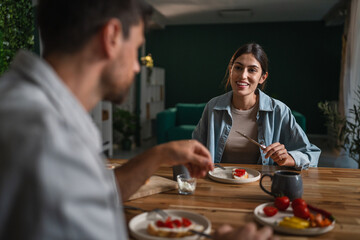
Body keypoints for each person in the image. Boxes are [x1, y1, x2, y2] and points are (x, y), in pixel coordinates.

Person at [0, 1, 276, 239]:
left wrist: (156, 156)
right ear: (111, 37)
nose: (136, 66)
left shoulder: (25, 104)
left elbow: (92, 193)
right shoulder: (50, 137)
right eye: (135, 49)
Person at [193, 43, 320, 170]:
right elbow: (195, 149)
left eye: (252, 70)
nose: (243, 76)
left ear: (262, 77)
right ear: (230, 71)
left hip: (262, 185)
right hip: (218, 183)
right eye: (238, 68)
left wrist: (287, 158)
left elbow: (311, 154)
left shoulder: (279, 111)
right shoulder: (212, 107)